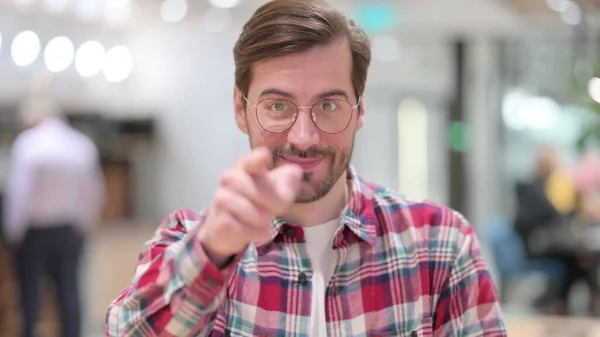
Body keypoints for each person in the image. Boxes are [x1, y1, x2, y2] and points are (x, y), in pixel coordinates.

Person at [106, 0, 505, 335]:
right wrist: (211, 253)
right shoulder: (188, 241)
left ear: (360, 110)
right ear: (240, 110)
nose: (303, 137)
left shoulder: (440, 244)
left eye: (328, 105)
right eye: (278, 106)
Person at [3, 93, 105, 337]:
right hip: (70, 231)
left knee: (30, 295)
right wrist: (83, 226)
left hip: (35, 233)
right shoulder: (81, 144)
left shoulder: (27, 144)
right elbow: (94, 193)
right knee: (69, 293)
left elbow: (20, 196)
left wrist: (12, 232)